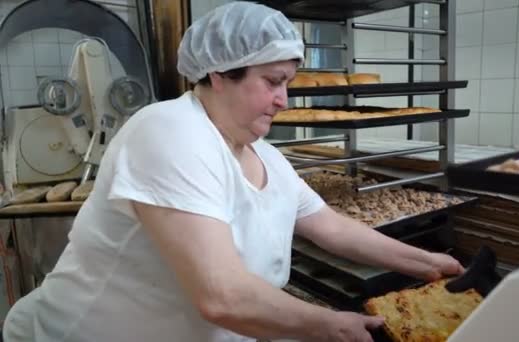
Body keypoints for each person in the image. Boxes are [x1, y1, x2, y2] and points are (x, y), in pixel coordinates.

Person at [2, 2, 464, 342]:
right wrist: (331, 325)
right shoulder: (169, 132)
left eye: (288, 83)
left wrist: (430, 265)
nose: (285, 99)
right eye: (273, 82)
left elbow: (333, 229)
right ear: (220, 74)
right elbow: (221, 296)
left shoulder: (262, 154)